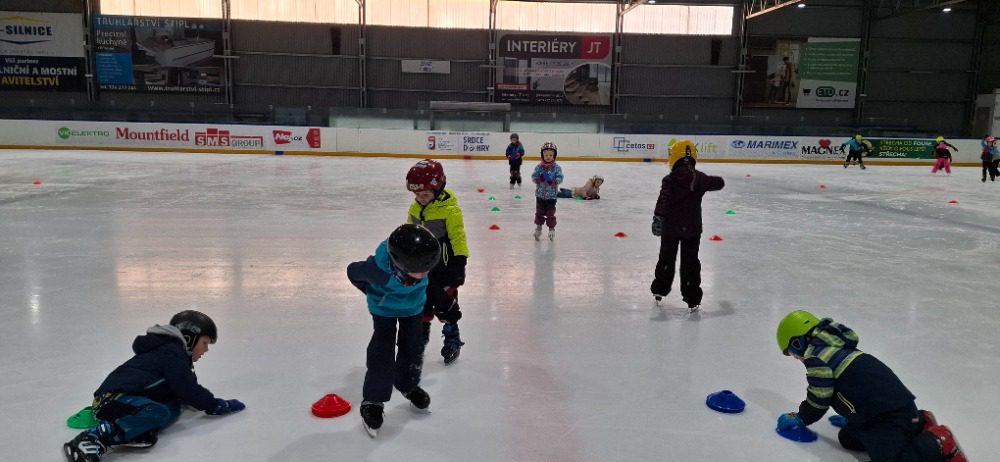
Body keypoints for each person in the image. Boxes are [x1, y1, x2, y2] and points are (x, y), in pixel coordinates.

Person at [775, 310, 967, 462]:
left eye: (793, 354)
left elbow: (819, 398)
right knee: (847, 438)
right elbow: (860, 385)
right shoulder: (837, 347)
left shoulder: (817, 358)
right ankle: (919, 421)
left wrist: (801, 417)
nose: (797, 359)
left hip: (888, 416)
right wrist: (853, 417)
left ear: (798, 343)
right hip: (880, 411)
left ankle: (938, 441)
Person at [63, 311, 245, 462]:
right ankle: (91, 439)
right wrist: (214, 405)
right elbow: (187, 388)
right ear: (189, 338)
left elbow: (181, 390)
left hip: (125, 399)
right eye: (204, 343)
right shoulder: (172, 352)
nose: (206, 350)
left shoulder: (171, 354)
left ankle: (135, 429)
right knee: (159, 412)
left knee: (173, 407)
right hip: (112, 398)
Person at [347, 224, 440, 437]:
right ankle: (373, 400)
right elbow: (352, 271)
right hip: (384, 311)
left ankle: (407, 384)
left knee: (413, 347)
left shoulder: (422, 262)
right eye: (421, 271)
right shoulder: (378, 271)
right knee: (382, 351)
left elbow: (433, 281)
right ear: (401, 264)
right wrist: (371, 291)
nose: (425, 274)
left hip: (414, 310)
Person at [405, 159, 469, 365]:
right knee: (420, 303)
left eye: (425, 194)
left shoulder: (449, 210)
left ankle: (452, 337)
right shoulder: (415, 208)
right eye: (417, 195)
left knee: (445, 304)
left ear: (438, 189)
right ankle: (419, 338)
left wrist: (459, 263)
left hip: (445, 268)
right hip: (421, 269)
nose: (420, 199)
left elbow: (458, 237)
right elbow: (409, 233)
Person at [650, 146, 724, 311]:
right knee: (690, 262)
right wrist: (709, 182)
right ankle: (692, 298)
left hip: (670, 228)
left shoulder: (669, 179)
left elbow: (664, 199)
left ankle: (660, 289)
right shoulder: (700, 178)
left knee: (666, 259)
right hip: (692, 229)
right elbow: (719, 183)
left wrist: (658, 217)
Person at [532, 142, 564, 241]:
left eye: (550, 155)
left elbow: (560, 177)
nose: (548, 157)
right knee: (539, 213)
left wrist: (554, 182)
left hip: (551, 196)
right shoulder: (539, 167)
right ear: (542, 155)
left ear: (554, 156)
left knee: (550, 214)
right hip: (540, 195)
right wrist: (539, 179)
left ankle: (551, 228)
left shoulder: (556, 168)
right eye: (546, 155)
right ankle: (539, 227)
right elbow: (534, 177)